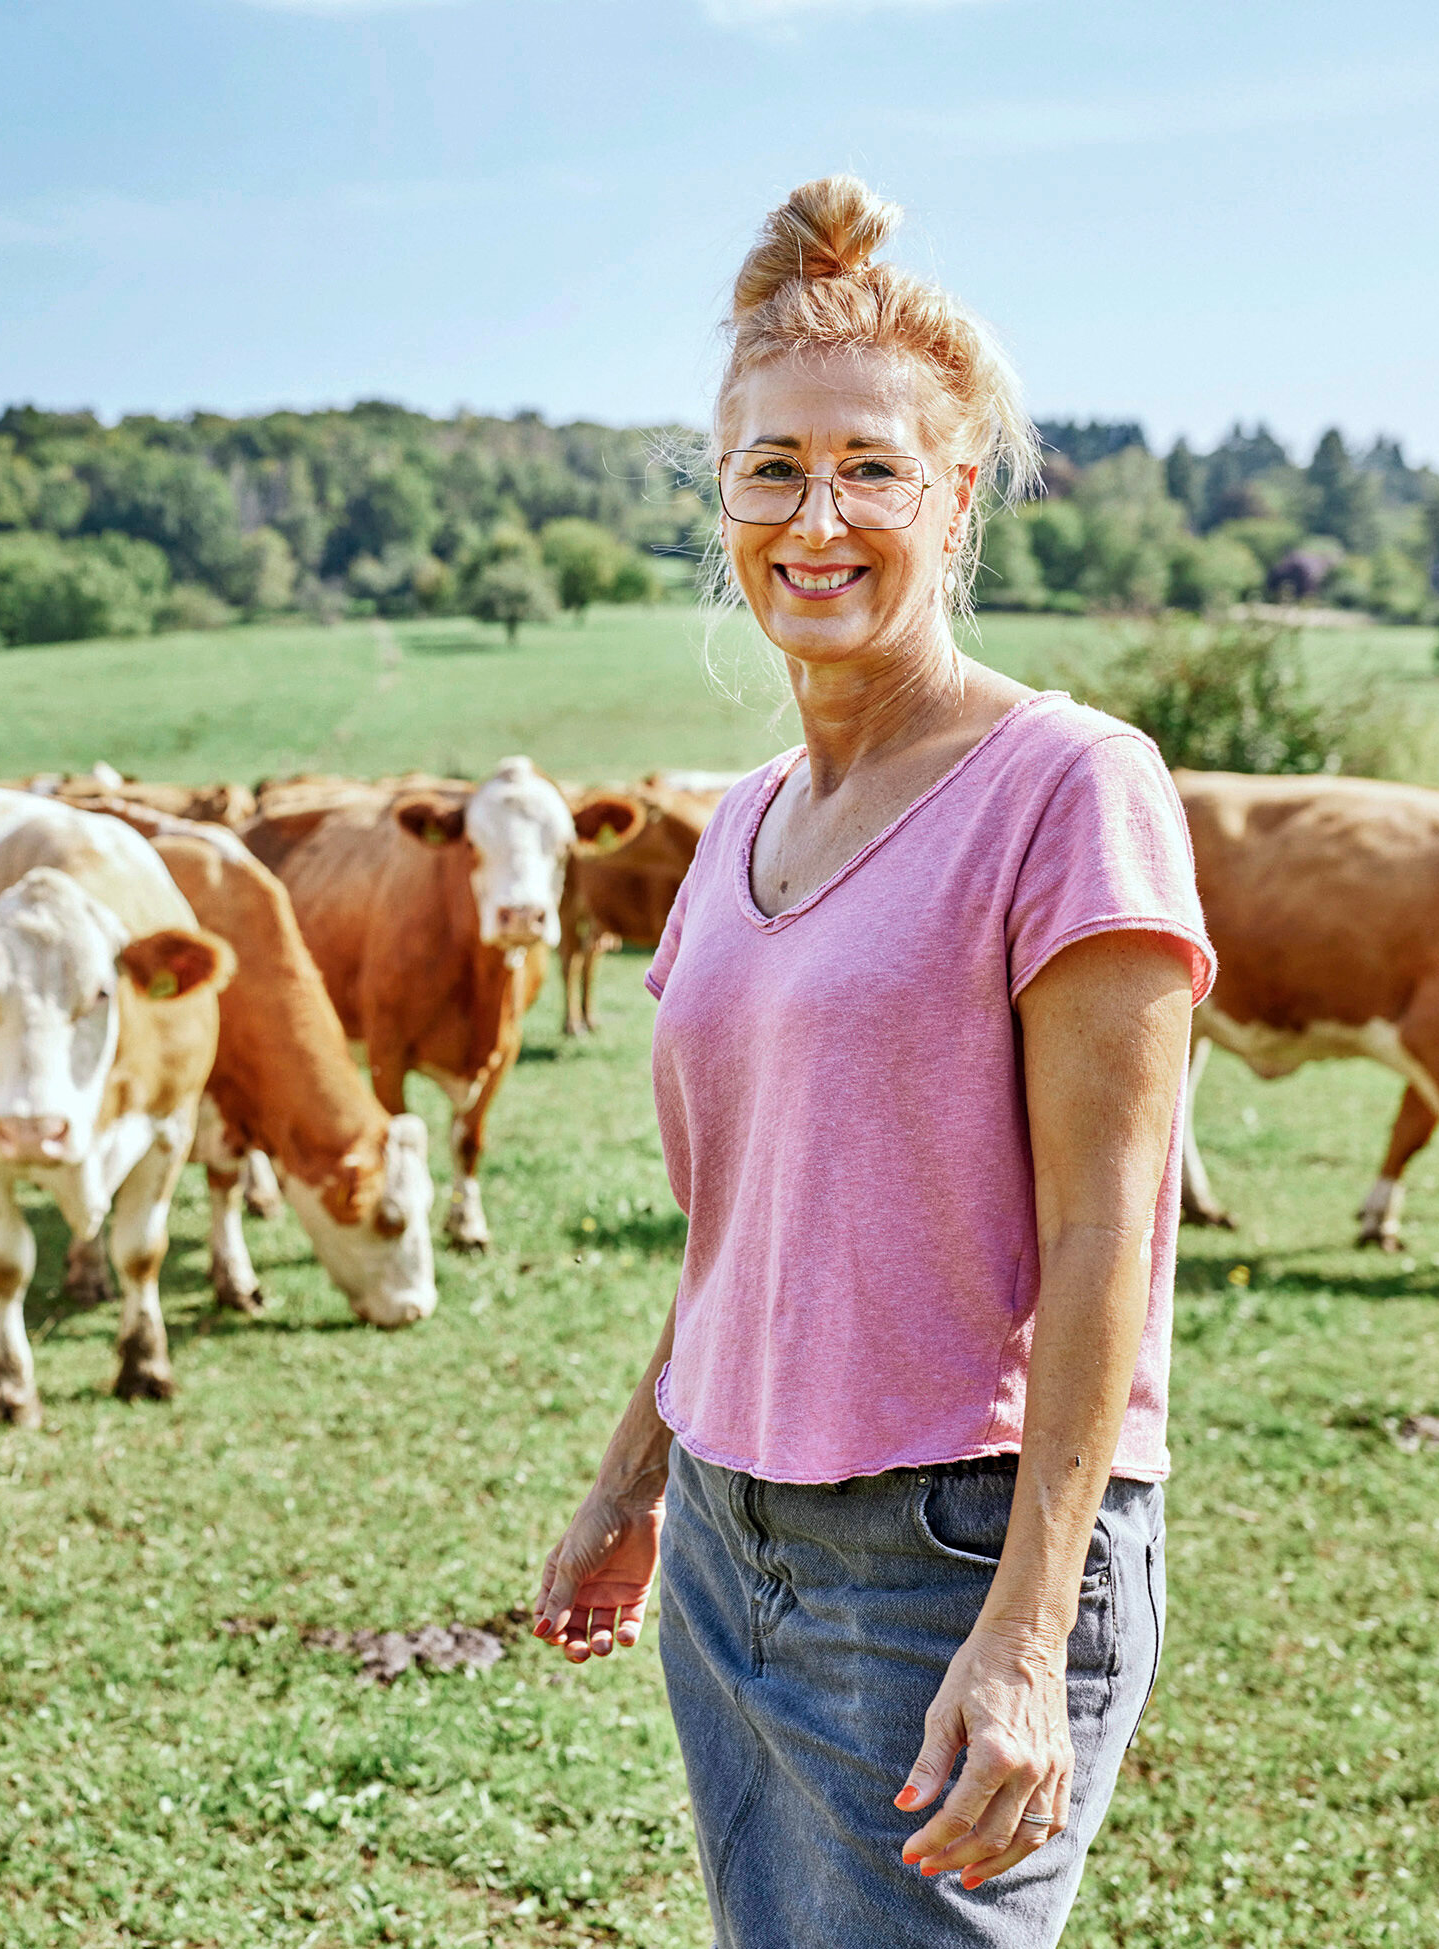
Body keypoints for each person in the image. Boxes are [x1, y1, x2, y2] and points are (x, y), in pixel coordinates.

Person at [529, 175, 1214, 1946]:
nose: (814, 515)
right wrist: (632, 1486)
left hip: (949, 1558)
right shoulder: (739, 824)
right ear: (724, 498)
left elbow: (1102, 1247)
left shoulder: (1068, 787)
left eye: (870, 470)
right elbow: (735, 1231)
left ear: (955, 491)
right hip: (726, 1543)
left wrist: (1023, 1633)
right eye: (771, 470)